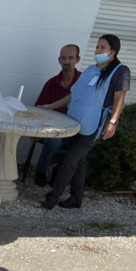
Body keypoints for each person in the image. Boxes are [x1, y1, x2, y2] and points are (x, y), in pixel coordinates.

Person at [39, 34, 130, 210]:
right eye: (97, 47)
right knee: (79, 162)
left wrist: (113, 122)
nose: (98, 50)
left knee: (69, 161)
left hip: (94, 125)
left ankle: (52, 198)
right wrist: (50, 106)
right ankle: (76, 198)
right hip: (77, 121)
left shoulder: (120, 71)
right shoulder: (90, 70)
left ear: (113, 51)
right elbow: (74, 95)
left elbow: (120, 99)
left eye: (102, 48)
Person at [31, 44, 81, 186]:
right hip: (53, 130)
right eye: (64, 58)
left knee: (79, 145)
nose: (67, 62)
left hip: (76, 129)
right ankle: (41, 171)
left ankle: (59, 173)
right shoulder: (51, 84)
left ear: (77, 59)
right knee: (54, 141)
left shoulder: (83, 82)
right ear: (59, 60)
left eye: (70, 58)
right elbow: (39, 109)